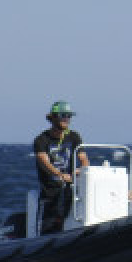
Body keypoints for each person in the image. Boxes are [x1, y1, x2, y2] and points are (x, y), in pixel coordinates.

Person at [33, 100, 88, 233]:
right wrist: (60, 175)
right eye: (63, 115)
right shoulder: (41, 139)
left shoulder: (74, 137)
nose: (66, 119)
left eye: (69, 116)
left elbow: (84, 159)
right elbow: (44, 162)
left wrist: (81, 170)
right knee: (47, 227)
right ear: (53, 117)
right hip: (50, 192)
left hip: (69, 190)